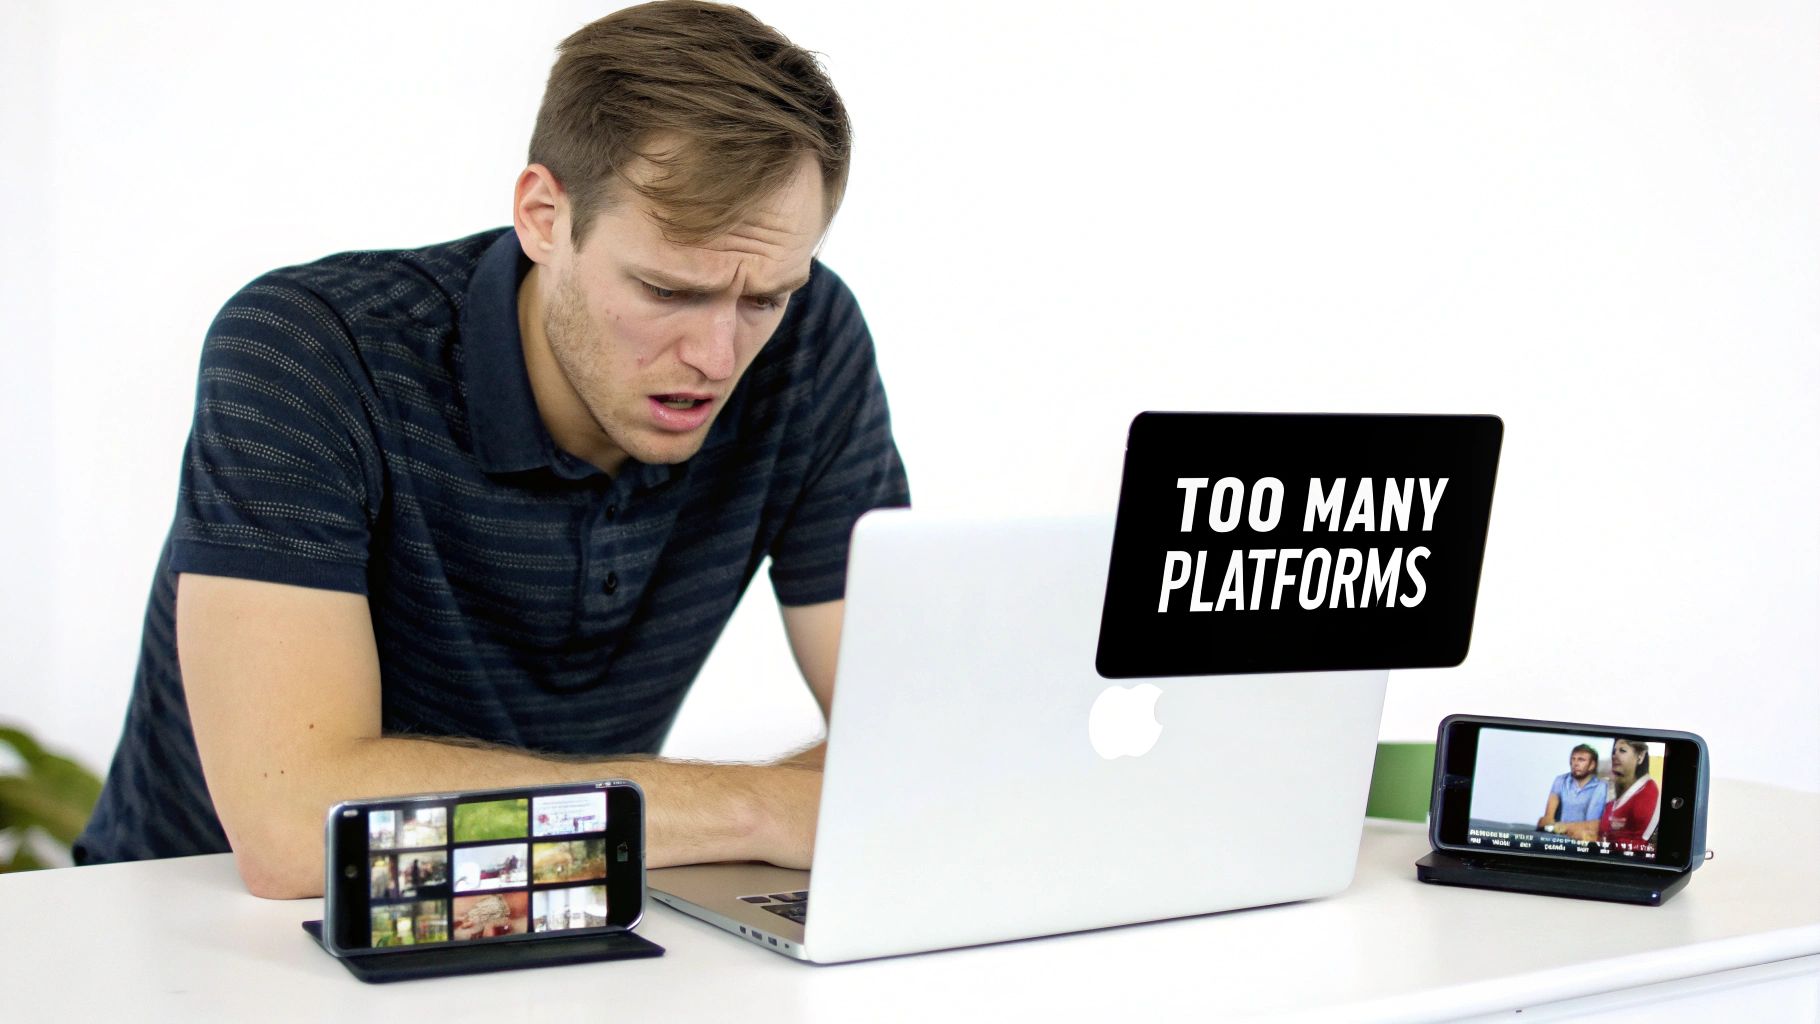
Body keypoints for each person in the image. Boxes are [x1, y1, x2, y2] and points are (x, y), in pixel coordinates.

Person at [72, 1, 909, 899]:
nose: (716, 356)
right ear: (544, 216)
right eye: (667, 290)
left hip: (556, 904)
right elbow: (294, 829)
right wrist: (757, 809)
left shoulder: (807, 345)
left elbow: (912, 728)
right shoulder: (311, 352)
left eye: (764, 299)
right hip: (186, 927)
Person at [1598, 737, 1661, 851]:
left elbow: (1640, 843)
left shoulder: (1648, 792)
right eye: (1614, 751)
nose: (1615, 755)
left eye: (1622, 750)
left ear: (1640, 756)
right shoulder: (1614, 789)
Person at [1536, 743, 1605, 831]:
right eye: (1573, 759)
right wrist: (1548, 822)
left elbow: (1592, 824)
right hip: (1557, 834)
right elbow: (1548, 817)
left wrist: (1564, 827)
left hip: (1581, 836)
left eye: (1581, 760)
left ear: (1592, 765)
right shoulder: (1560, 780)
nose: (1575, 763)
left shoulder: (1600, 787)